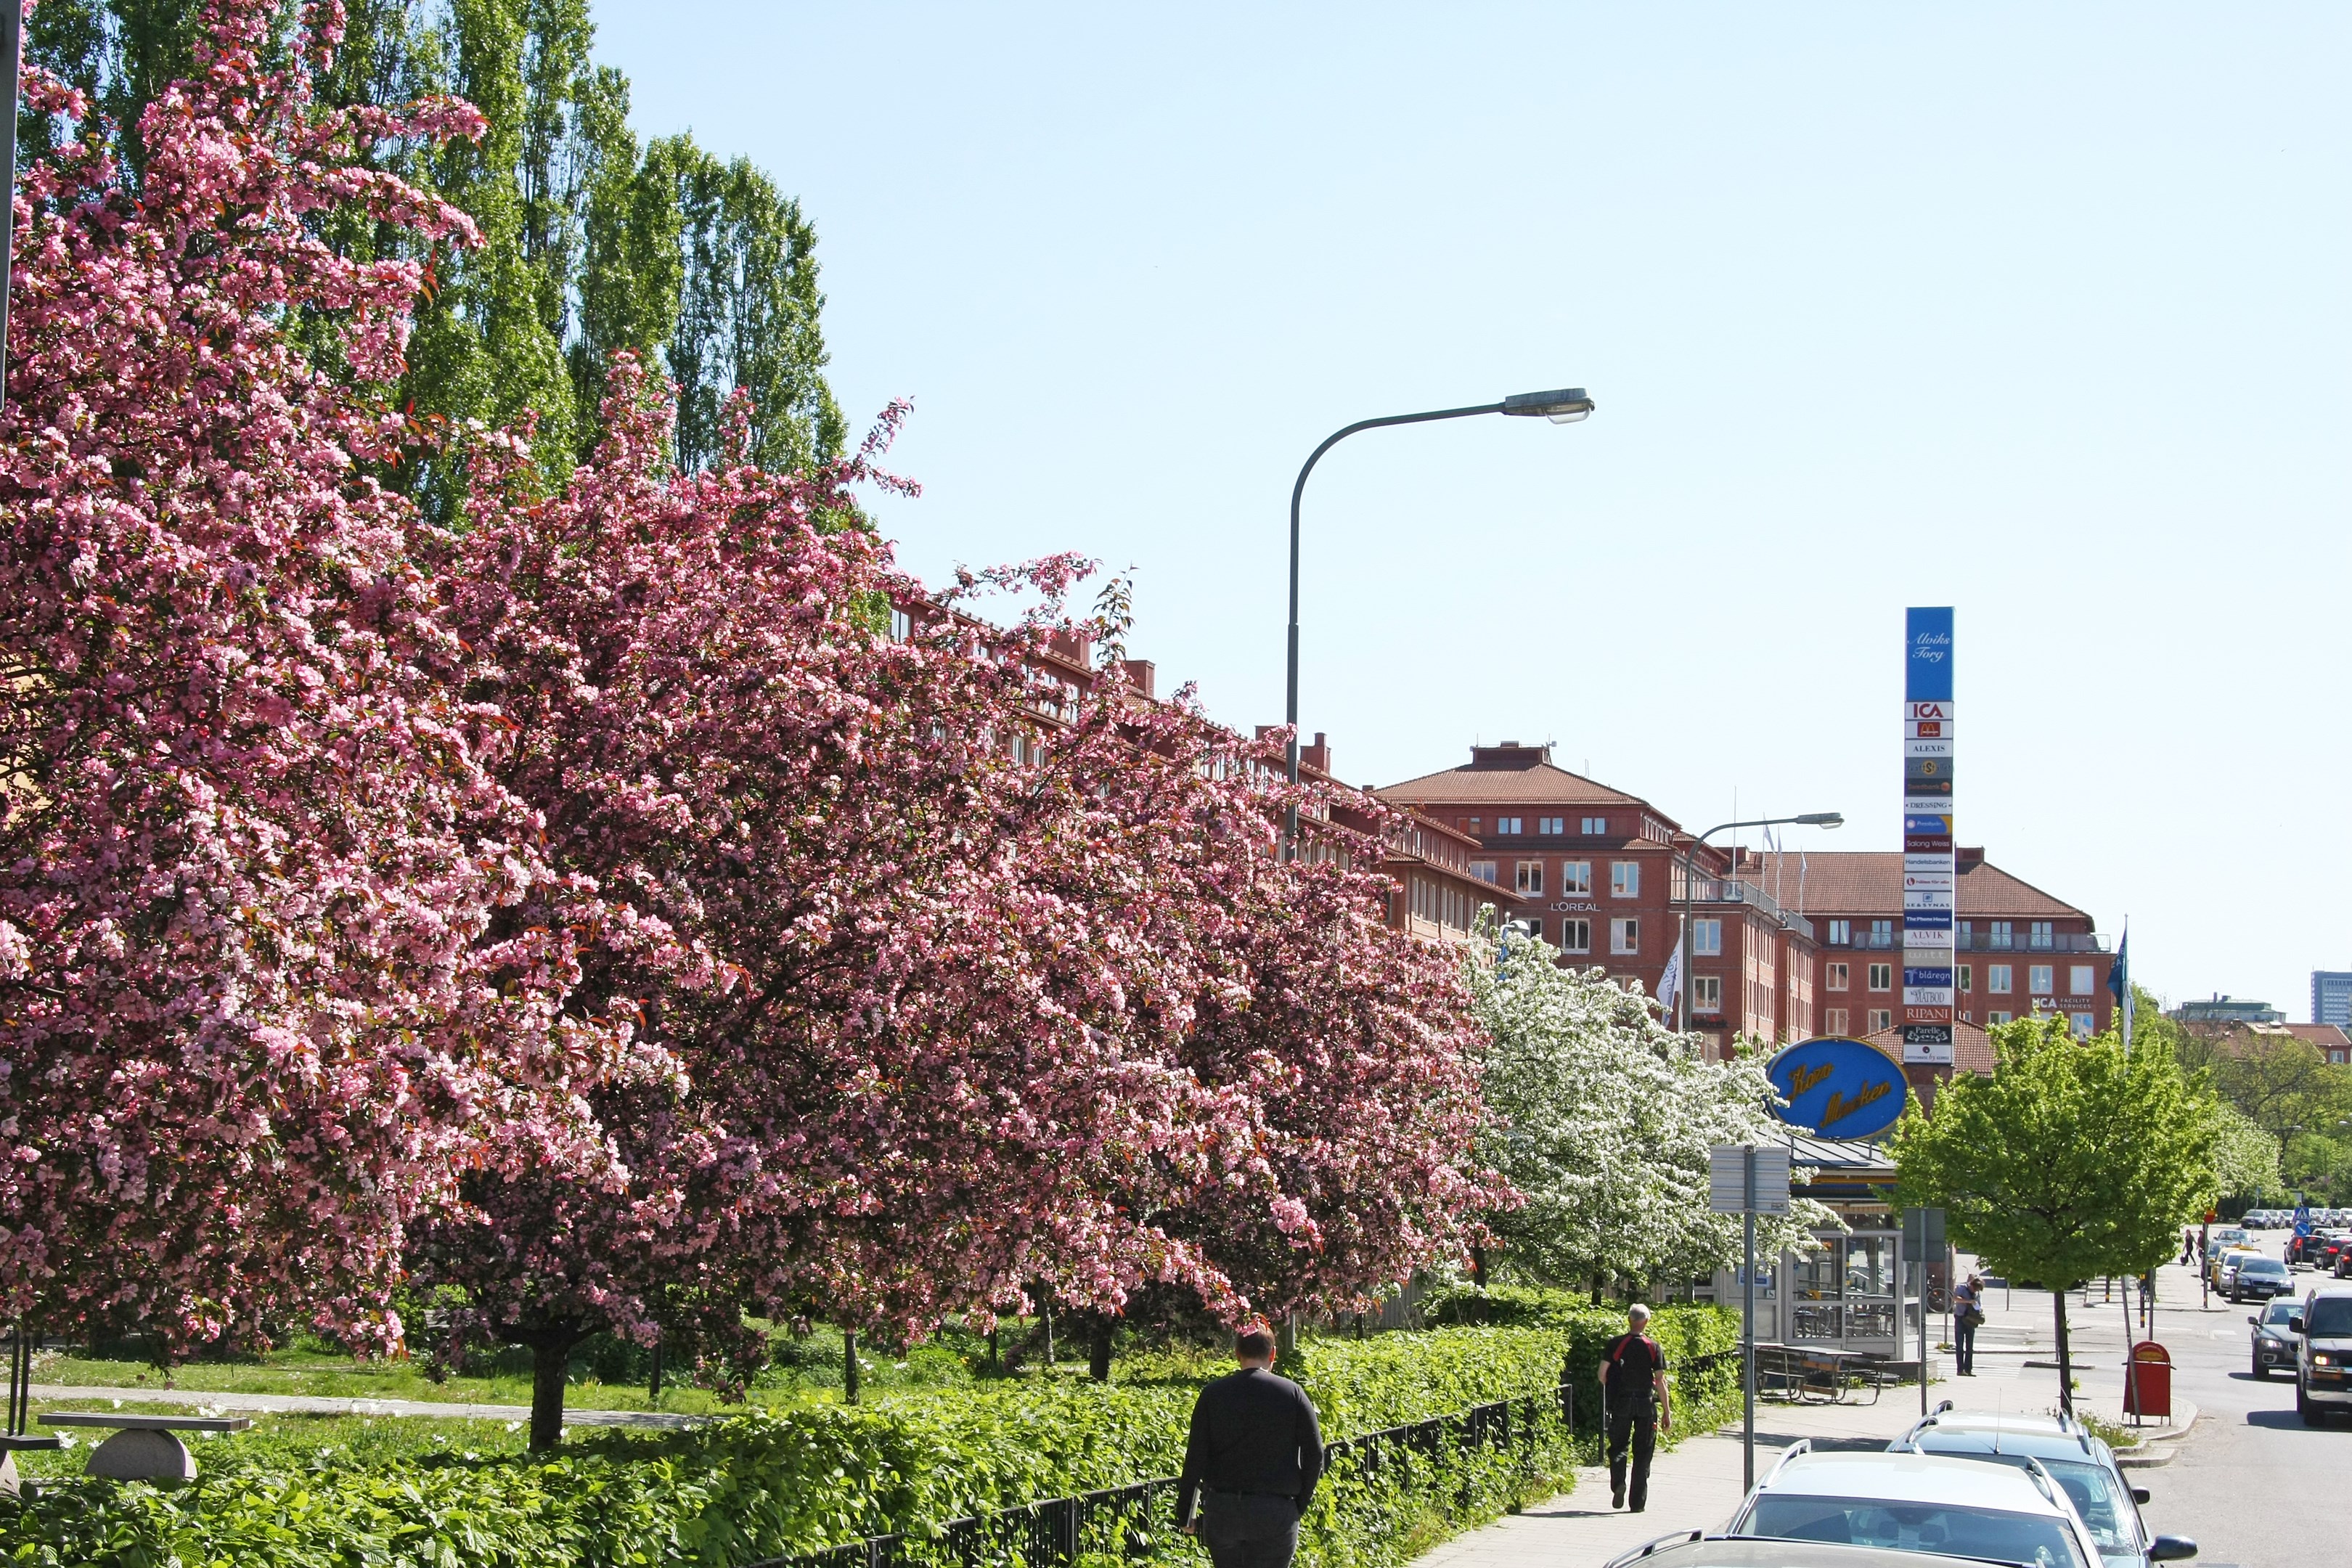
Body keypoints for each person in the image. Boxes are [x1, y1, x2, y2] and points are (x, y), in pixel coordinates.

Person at [1177, 1325, 1324, 1568]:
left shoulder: (1212, 1394)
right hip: (1275, 1509)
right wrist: (1299, 1504)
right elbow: (1314, 1454)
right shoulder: (1292, 1394)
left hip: (1223, 1509)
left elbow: (1195, 1457)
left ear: (1237, 1353)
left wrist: (1185, 1512)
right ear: (1273, 1354)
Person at [1598, 1303, 1673, 1513]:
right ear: (1646, 1322)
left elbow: (1602, 1374)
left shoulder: (1615, 1344)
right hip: (1645, 1405)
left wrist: (1613, 1388)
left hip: (1621, 1403)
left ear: (1629, 1320)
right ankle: (1637, 1503)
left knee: (1619, 1446)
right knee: (1643, 1452)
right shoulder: (1653, 1347)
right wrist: (1667, 1412)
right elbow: (1660, 1381)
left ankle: (1618, 1483)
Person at [1952, 1272, 1984, 1376]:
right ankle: (1960, 1370)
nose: (1975, 1291)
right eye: (1975, 1289)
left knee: (1970, 1346)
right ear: (1971, 1285)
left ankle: (1968, 1369)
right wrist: (1969, 1301)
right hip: (1960, 1318)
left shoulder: (1977, 1293)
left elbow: (1979, 1305)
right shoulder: (1962, 1288)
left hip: (1970, 1321)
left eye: (1977, 1290)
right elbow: (1955, 1298)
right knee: (1959, 1346)